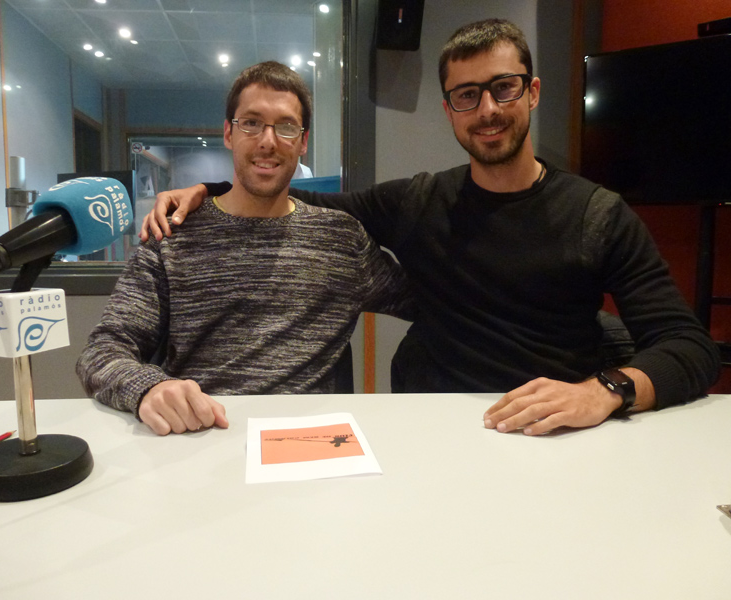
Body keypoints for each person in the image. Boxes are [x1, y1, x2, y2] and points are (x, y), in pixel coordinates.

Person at [139, 19, 721, 436]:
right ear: (450, 110)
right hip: (433, 427)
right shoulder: (418, 201)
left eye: (503, 87)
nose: (487, 109)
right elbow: (295, 199)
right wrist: (212, 193)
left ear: (532, 92)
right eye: (467, 95)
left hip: (559, 428)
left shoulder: (598, 214)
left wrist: (602, 393)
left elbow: (689, 348)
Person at [77, 61, 414, 436]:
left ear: (302, 142)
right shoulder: (174, 235)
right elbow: (102, 351)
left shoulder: (341, 239)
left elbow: (429, 302)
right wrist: (149, 389)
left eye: (285, 126)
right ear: (228, 133)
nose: (267, 140)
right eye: (251, 123)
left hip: (307, 445)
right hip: (201, 434)